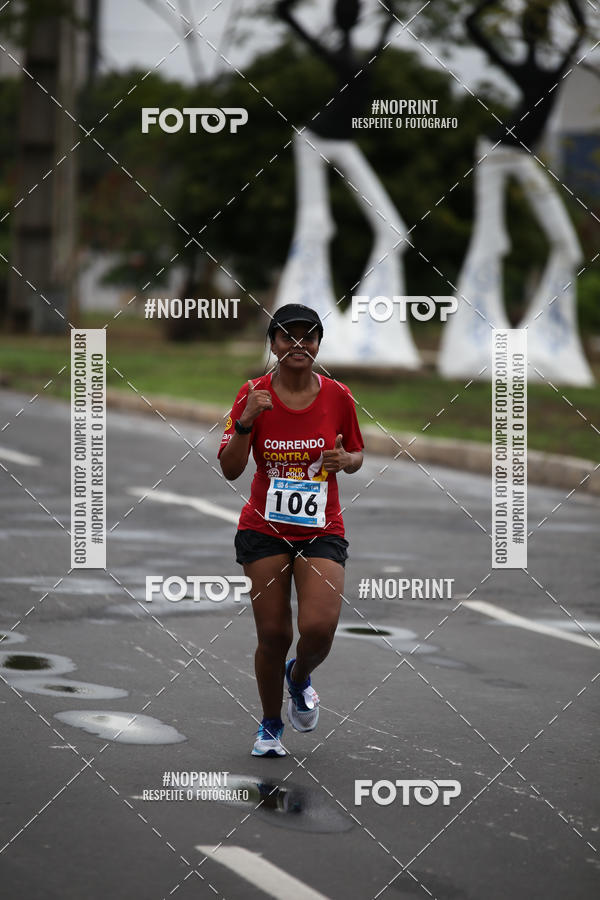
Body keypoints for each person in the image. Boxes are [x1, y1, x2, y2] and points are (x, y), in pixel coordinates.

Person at [218, 303, 364, 757]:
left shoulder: (339, 395)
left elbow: (356, 454)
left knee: (319, 626)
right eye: (287, 336)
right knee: (275, 634)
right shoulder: (253, 392)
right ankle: (270, 724)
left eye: (308, 336)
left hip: (322, 527)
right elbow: (229, 469)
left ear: (318, 344)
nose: (298, 345)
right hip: (264, 529)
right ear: (273, 343)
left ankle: (298, 677)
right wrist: (246, 421)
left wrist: (346, 462)